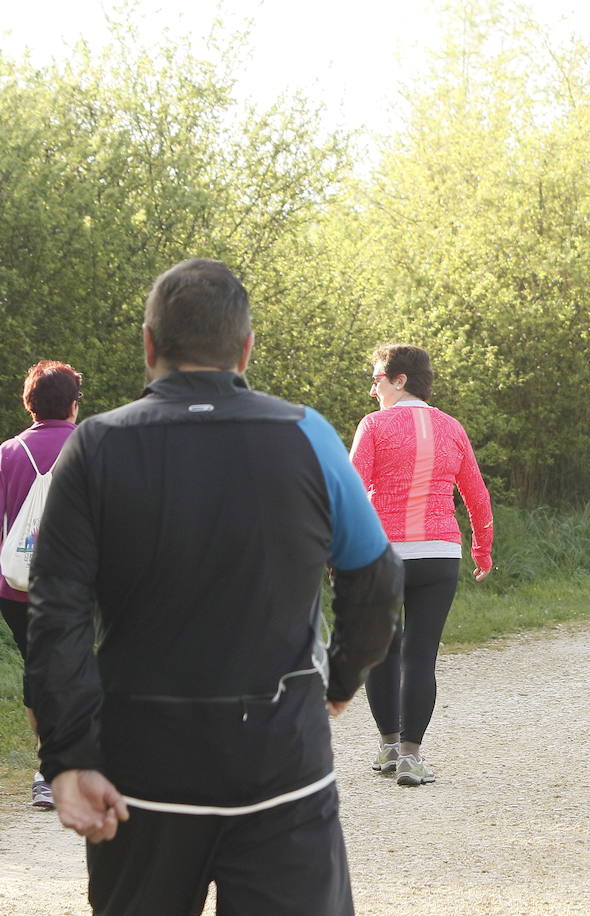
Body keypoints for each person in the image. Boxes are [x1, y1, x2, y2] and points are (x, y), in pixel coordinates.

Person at [26, 259, 403, 915]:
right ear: (246, 348)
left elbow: (56, 618)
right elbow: (376, 579)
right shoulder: (308, 434)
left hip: (140, 773)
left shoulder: (93, 448)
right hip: (280, 767)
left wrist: (67, 759)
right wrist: (340, 680)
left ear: (148, 345)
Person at [349, 343, 494, 786]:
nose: (372, 390)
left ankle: (389, 747)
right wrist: (482, 549)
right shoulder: (451, 428)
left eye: (377, 379)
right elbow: (476, 495)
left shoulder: (373, 425)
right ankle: (412, 757)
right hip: (439, 555)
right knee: (420, 654)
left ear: (399, 379)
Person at [0, 360, 82, 808]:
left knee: (38, 668)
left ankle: (48, 766)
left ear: (29, 402)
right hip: (74, 584)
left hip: (15, 585)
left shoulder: (6, 453)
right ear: (72, 404)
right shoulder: (92, 449)